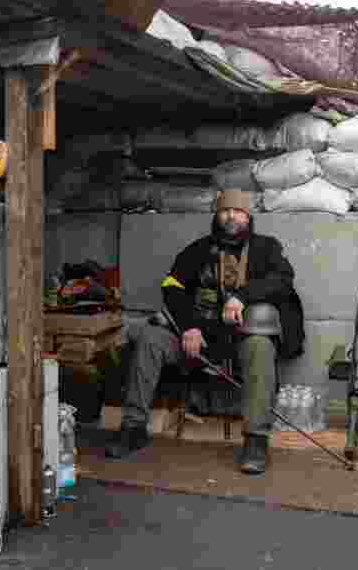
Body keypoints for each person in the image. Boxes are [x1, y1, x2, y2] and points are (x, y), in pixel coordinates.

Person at [105, 189, 305, 474]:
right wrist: (189, 328)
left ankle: (256, 439)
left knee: (261, 347)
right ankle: (133, 427)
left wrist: (242, 296)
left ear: (248, 216)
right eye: (225, 210)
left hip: (242, 342)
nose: (231, 216)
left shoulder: (267, 248)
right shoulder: (198, 250)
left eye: (238, 211)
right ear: (217, 215)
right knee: (150, 338)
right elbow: (172, 287)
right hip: (197, 341)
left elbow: (283, 280)